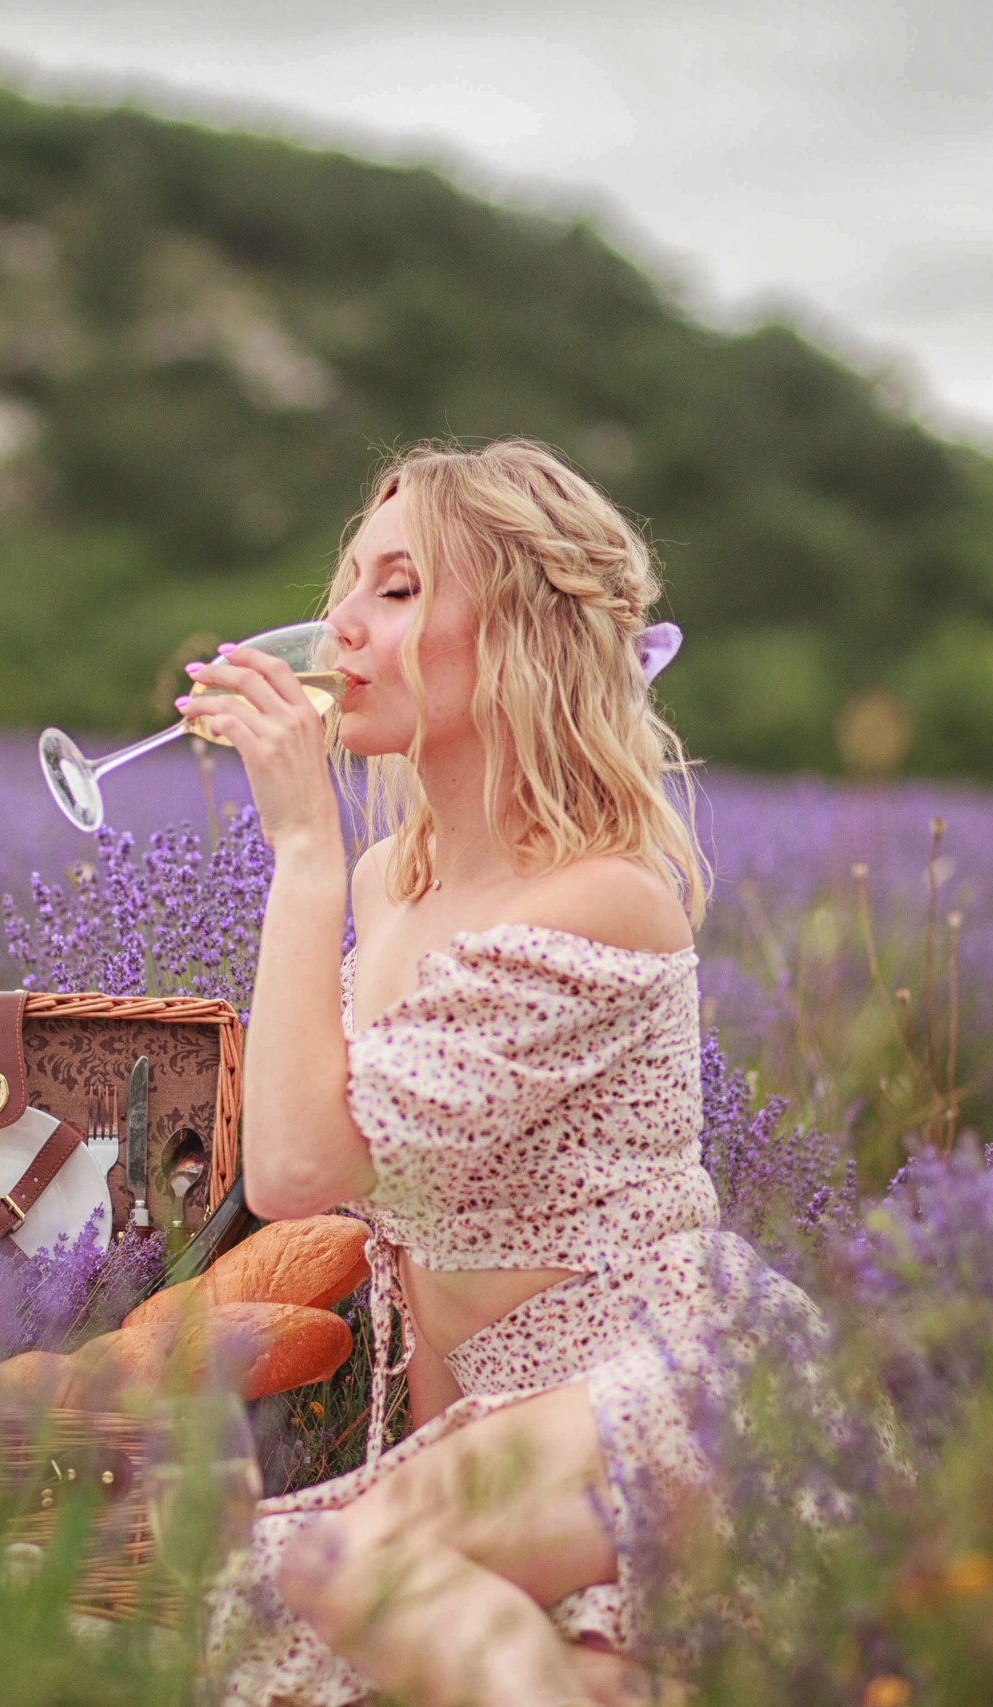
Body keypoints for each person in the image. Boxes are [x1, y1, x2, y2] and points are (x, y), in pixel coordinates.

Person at [174, 439, 822, 1707]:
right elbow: (394, 1231)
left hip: (670, 1387)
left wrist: (299, 846)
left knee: (341, 1565)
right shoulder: (390, 886)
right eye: (347, 582)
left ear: (523, 636)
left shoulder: (602, 900)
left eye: (399, 591)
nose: (340, 628)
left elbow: (299, 1165)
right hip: (508, 1434)